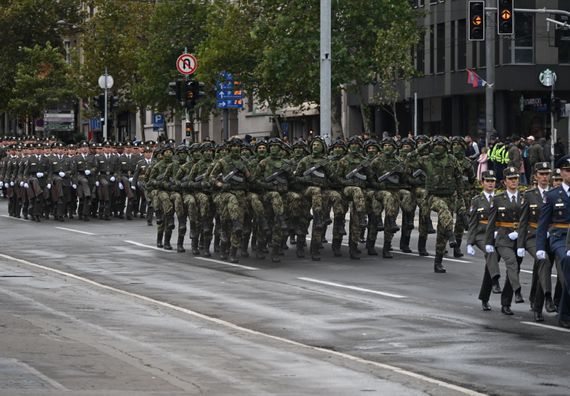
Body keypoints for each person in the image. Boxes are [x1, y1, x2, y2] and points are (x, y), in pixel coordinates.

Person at [517, 162, 557, 321]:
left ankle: (536, 302)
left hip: (551, 236)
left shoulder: (555, 193)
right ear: (535, 176)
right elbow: (523, 221)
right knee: (544, 262)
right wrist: (520, 245)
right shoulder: (529, 195)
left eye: (547, 174)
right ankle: (548, 297)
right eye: (541, 174)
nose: (545, 177)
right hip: (533, 236)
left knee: (541, 270)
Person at [485, 166, 524, 316]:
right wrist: (489, 242)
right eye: (511, 179)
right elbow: (491, 222)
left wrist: (520, 232)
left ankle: (506, 302)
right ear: (504, 181)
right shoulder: (498, 199)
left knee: (514, 270)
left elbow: (526, 219)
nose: (514, 181)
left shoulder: (524, 197)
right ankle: (513, 294)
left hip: (519, 238)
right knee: (510, 262)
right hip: (502, 237)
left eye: (516, 178)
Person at [536, 155, 570, 328]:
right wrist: (540, 247)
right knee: (566, 260)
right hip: (560, 237)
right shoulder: (552, 195)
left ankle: (564, 313)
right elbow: (543, 224)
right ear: (561, 173)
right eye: (567, 170)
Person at [467, 170, 502, 311]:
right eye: (488, 181)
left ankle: (485, 297)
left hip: (498, 234)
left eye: (493, 181)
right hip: (481, 235)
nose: (490, 184)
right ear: (482, 183)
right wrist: (469, 242)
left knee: (490, 266)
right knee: (491, 252)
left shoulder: (500, 198)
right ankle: (495, 280)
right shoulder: (477, 200)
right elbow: (473, 223)